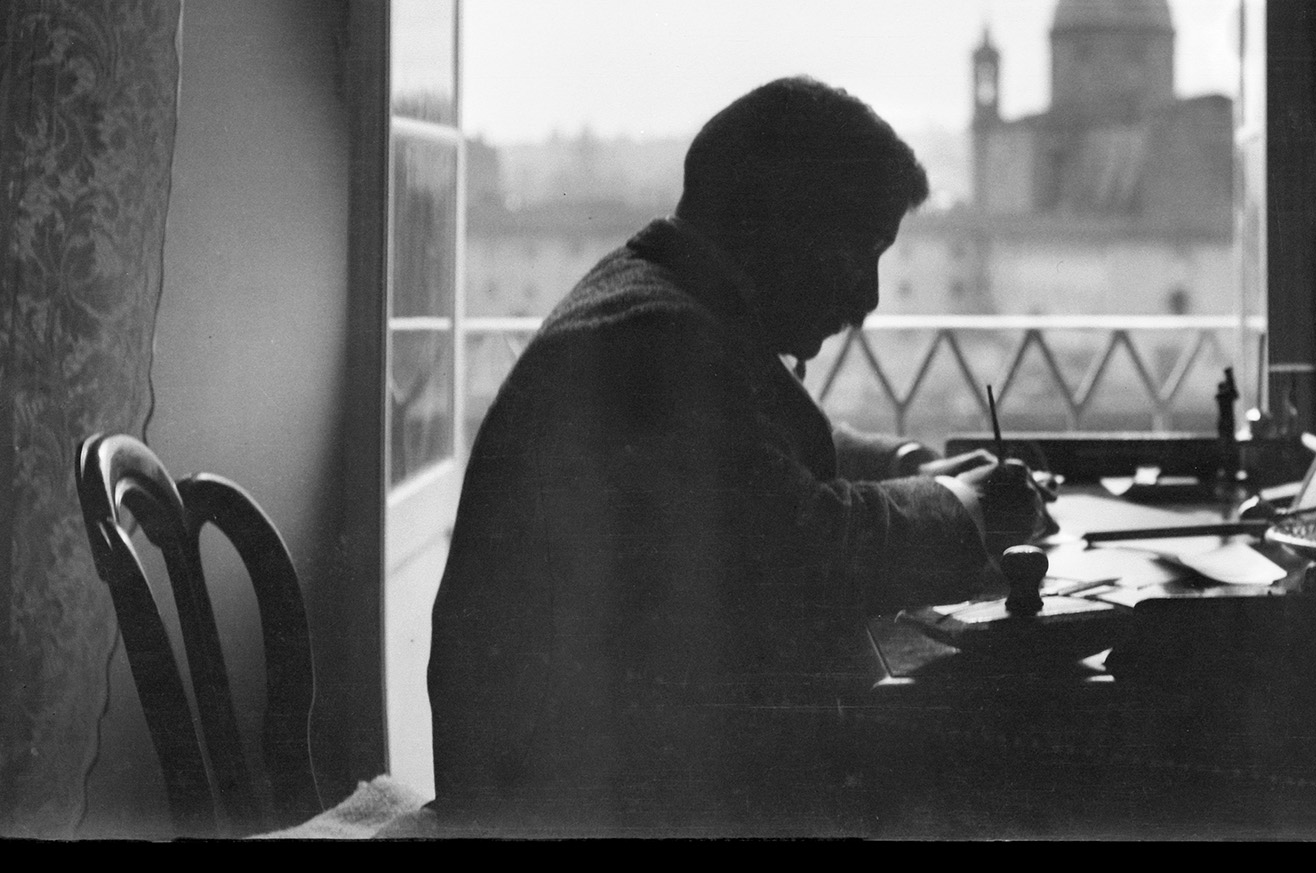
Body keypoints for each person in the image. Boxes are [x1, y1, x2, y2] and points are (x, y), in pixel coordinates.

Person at [429, 77, 1048, 834]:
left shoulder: (658, 300)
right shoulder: (659, 338)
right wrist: (968, 509)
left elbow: (756, 456)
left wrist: (912, 467)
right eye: (864, 250)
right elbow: (800, 545)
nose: (871, 297)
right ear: (786, 223)